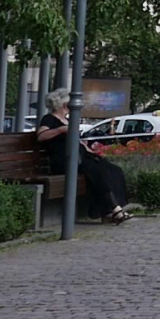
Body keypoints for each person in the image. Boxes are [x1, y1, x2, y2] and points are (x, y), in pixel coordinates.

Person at [36, 89, 133, 224]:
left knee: (114, 170)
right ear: (65, 104)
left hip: (79, 157)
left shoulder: (67, 120)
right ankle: (113, 210)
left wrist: (88, 149)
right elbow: (41, 136)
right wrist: (60, 130)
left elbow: (76, 141)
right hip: (65, 160)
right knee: (99, 173)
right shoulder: (49, 118)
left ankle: (114, 209)